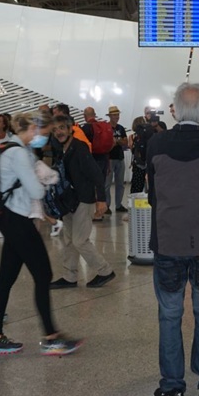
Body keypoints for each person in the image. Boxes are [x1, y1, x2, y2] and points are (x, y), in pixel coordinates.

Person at [147, 82, 199, 396]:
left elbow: (153, 194)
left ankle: (172, 388)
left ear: (175, 110)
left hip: (168, 241)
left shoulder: (156, 144)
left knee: (169, 315)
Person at [0, 110, 82, 357]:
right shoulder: (18, 154)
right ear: (34, 130)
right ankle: (51, 338)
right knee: (43, 273)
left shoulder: (18, 150)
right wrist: (42, 178)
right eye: (44, 134)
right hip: (18, 220)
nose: (45, 139)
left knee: (6, 278)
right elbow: (37, 192)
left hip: (12, 218)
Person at [49, 115, 115, 289]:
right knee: (69, 239)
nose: (59, 132)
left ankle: (105, 270)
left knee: (80, 240)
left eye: (62, 128)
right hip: (68, 201)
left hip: (83, 200)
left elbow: (96, 174)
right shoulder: (60, 148)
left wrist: (101, 200)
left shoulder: (80, 148)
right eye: (55, 130)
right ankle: (70, 276)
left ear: (71, 128)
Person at [105, 105, 128, 214]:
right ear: (110, 116)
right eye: (115, 115)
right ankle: (106, 205)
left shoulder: (121, 128)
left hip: (119, 157)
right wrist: (118, 141)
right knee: (107, 183)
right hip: (109, 158)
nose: (117, 117)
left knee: (120, 183)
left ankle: (118, 205)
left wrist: (116, 141)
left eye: (117, 115)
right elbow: (108, 143)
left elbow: (125, 142)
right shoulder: (106, 127)